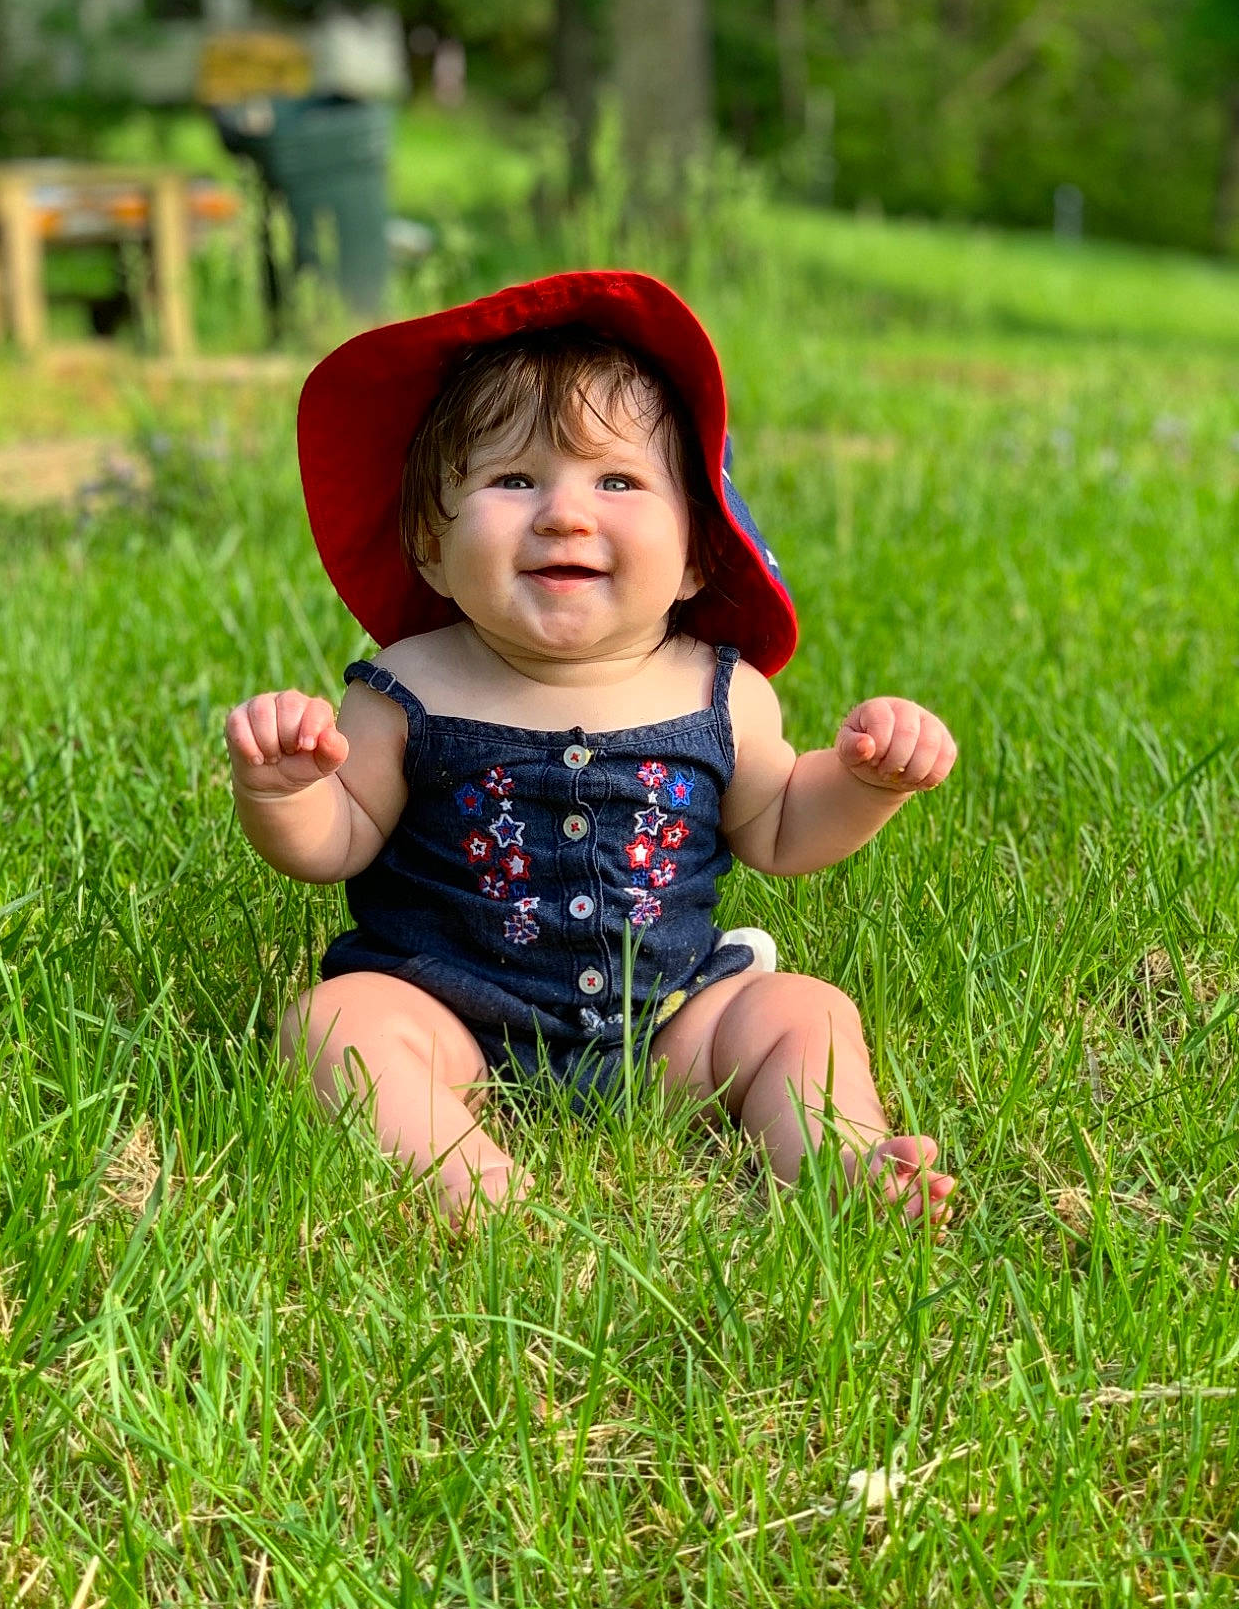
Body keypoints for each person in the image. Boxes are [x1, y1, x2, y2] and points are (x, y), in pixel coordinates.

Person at [226, 272, 957, 1228]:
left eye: (618, 480)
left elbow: (781, 828)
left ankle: (839, 1161)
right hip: (454, 1028)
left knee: (803, 1010)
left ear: (699, 550)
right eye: (513, 480)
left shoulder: (721, 689)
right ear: (431, 547)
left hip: (669, 1030)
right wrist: (285, 791)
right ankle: (473, 1188)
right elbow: (339, 843)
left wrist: (864, 782)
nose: (566, 514)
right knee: (333, 1026)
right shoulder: (407, 686)